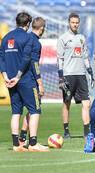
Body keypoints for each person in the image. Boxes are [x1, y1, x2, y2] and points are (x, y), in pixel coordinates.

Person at [0, 12, 48, 152]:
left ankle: (16, 145)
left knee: (16, 112)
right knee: (35, 110)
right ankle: (33, 143)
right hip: (25, 80)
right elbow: (28, 59)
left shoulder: (6, 38)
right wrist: (19, 77)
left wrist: (6, 77)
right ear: (27, 24)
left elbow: (1, 59)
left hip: (9, 81)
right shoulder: (28, 38)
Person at [57, 13, 95, 139]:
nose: (75, 24)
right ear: (69, 22)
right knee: (66, 103)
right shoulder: (63, 38)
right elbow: (60, 58)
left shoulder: (81, 38)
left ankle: (86, 131)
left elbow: (85, 56)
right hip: (68, 75)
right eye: (73, 22)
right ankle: (66, 131)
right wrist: (61, 77)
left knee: (86, 103)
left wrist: (90, 72)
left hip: (81, 75)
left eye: (77, 22)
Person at [18, 17, 46, 146]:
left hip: (19, 79)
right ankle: (33, 142)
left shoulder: (25, 38)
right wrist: (40, 83)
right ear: (42, 28)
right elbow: (34, 64)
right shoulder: (35, 42)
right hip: (30, 80)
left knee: (30, 109)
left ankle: (22, 139)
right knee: (35, 109)